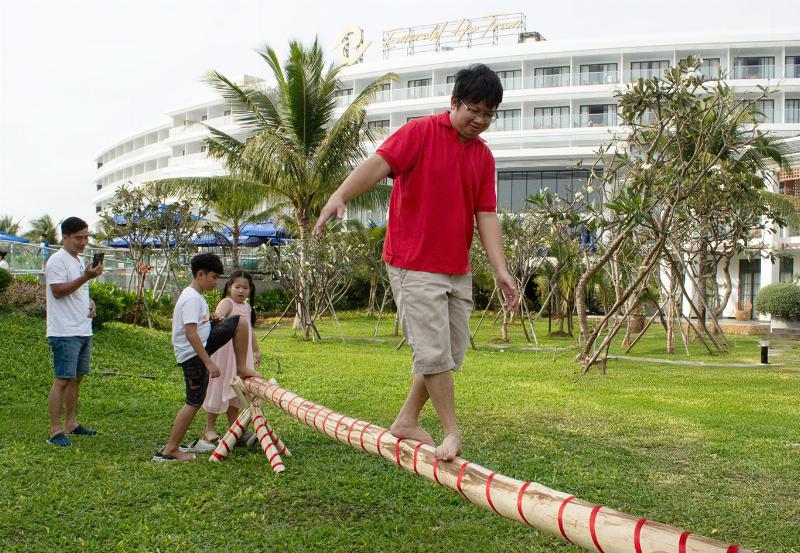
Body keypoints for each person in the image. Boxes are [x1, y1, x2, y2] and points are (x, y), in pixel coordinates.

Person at [314, 64, 518, 461]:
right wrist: (340, 196)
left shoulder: (483, 156)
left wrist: (501, 269)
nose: (479, 120)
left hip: (455, 267)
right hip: (413, 262)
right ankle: (452, 433)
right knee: (433, 352)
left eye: (488, 114)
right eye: (473, 109)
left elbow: (487, 214)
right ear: (454, 102)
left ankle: (407, 419)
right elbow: (377, 164)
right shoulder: (420, 132)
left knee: (449, 351)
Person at [153, 254, 261, 462]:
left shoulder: (196, 296)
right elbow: (190, 333)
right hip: (194, 355)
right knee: (193, 402)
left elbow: (200, 328)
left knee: (240, 323)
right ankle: (170, 449)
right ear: (200, 274)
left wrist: (213, 323)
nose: (216, 282)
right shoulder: (192, 298)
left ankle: (242, 368)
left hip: (203, 346)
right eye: (213, 277)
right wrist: (209, 362)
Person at [45, 217, 103, 447]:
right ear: (65, 237)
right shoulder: (57, 261)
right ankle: (55, 430)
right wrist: (86, 277)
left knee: (77, 378)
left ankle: (71, 423)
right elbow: (58, 291)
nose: (84, 242)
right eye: (79, 237)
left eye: (86, 237)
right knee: (62, 379)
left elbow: (76, 291)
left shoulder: (77, 260)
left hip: (82, 328)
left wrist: (89, 302)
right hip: (64, 330)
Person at [200, 270, 261, 447]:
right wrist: (217, 317)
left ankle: (234, 430)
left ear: (250, 290)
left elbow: (249, 331)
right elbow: (219, 315)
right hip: (224, 355)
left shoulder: (248, 308)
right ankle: (209, 429)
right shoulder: (227, 302)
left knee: (236, 391)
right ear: (229, 287)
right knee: (218, 387)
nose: (241, 291)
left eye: (245, 288)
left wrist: (256, 350)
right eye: (237, 287)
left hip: (241, 357)